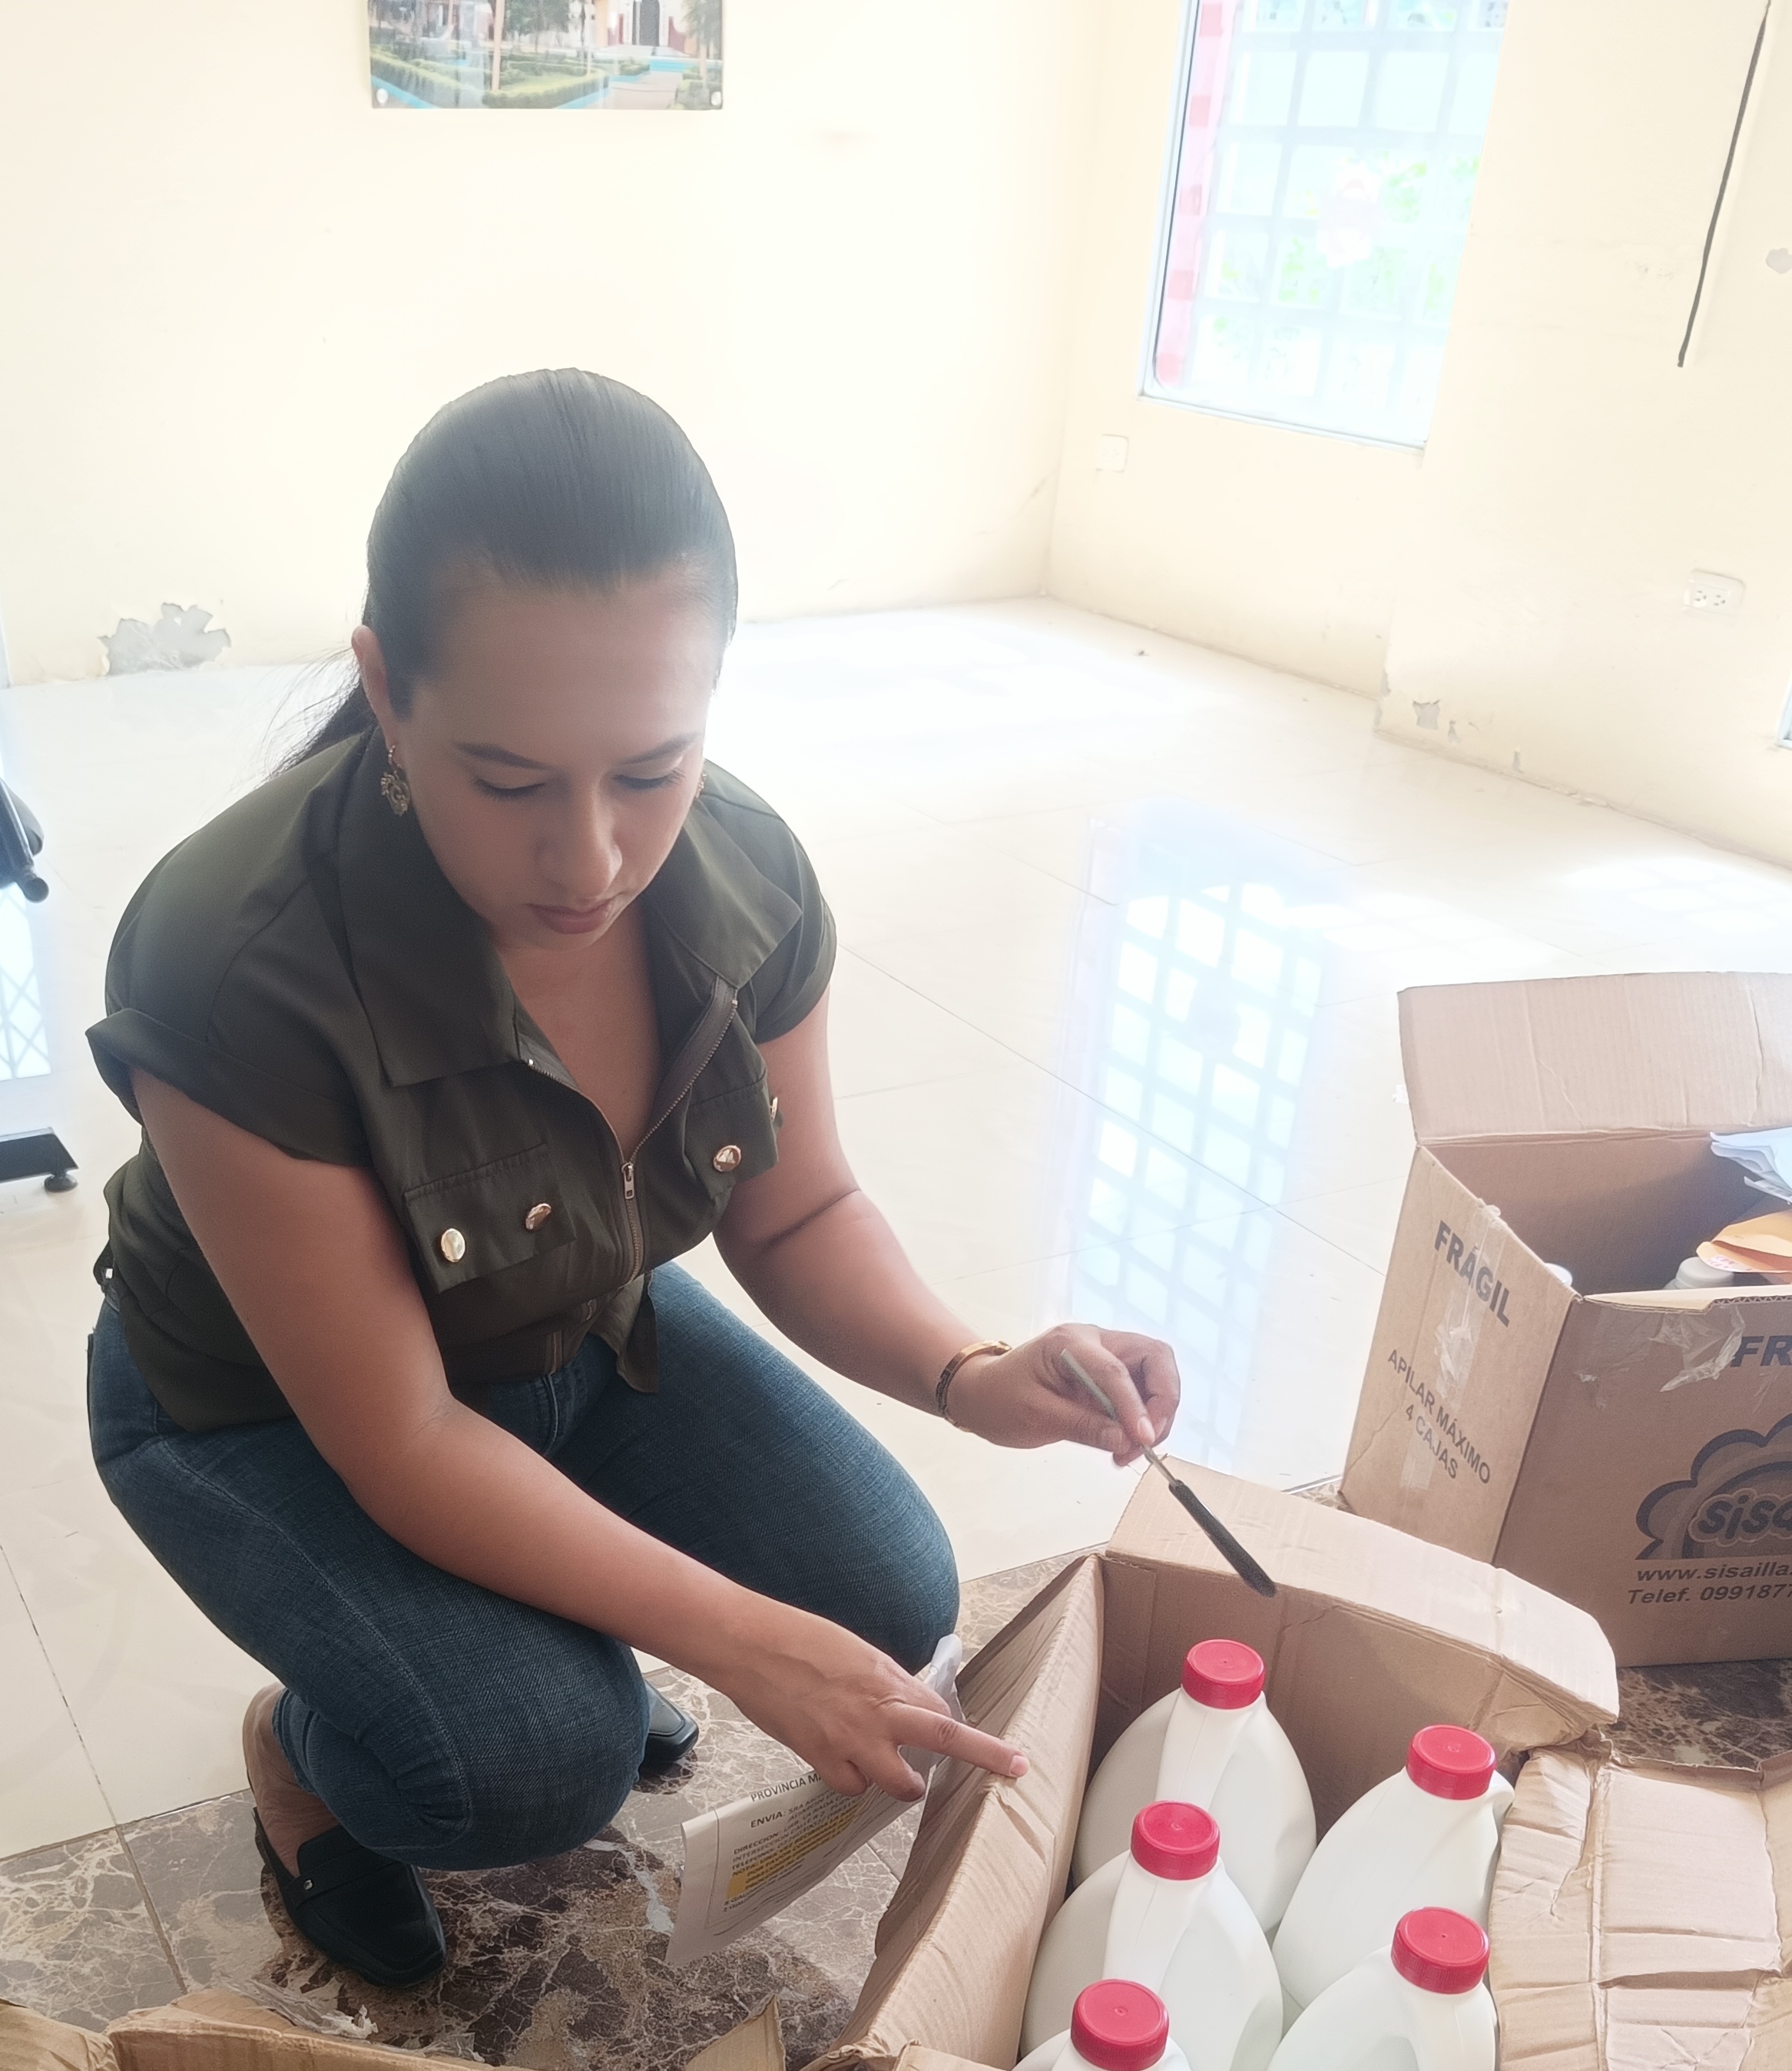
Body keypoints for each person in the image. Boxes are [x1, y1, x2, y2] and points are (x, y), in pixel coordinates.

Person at [87, 371, 1180, 1987]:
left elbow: (800, 1209)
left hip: (567, 1326)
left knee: (888, 1598)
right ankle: (307, 1754)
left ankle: (543, 1632)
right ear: (383, 688)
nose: (590, 859)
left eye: (652, 769)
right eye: (509, 781)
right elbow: (402, 1439)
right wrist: (732, 1639)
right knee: (535, 1763)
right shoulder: (238, 959)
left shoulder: (743, 874)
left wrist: (975, 1371)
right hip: (270, 1414)